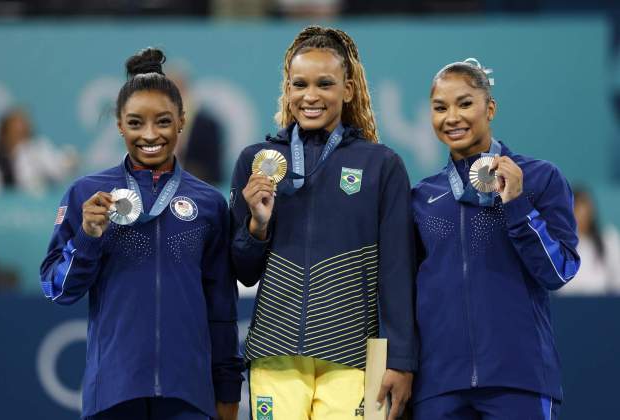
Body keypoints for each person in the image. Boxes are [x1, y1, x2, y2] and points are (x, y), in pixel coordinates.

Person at [39, 47, 243, 420]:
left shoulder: (209, 204)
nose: (150, 135)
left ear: (182, 120)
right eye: (135, 123)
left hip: (190, 397)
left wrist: (228, 390)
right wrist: (87, 237)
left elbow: (222, 310)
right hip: (114, 394)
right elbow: (57, 289)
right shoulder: (87, 194)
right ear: (119, 124)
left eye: (163, 122)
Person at [230, 25, 417, 420]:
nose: (310, 96)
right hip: (275, 350)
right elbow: (243, 273)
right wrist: (257, 228)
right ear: (288, 88)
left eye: (325, 84)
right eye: (300, 84)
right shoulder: (257, 161)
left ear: (347, 90)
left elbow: (398, 272)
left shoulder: (381, 165)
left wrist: (400, 359)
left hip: (353, 353)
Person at [411, 58, 580, 419]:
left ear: (490, 108)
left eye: (465, 103)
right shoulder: (423, 197)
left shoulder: (540, 179)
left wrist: (517, 206)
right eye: (440, 108)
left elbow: (559, 271)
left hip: (519, 379)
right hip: (439, 386)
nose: (452, 117)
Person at [0, 107, 77, 195]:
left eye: (23, 132)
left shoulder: (38, 149)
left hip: (31, 204)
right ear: (5, 133)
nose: (19, 138)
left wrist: (68, 163)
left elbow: (57, 169)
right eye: (14, 132)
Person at [558, 187, 620, 295]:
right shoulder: (558, 244)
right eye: (577, 209)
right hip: (566, 305)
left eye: (586, 210)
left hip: (601, 305)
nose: (582, 216)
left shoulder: (607, 240)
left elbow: (617, 281)